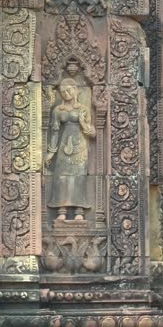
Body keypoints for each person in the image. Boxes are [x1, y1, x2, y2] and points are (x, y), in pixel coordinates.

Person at [45, 78, 95, 221]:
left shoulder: (83, 109)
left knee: (79, 177)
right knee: (61, 177)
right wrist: (51, 152)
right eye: (63, 92)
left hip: (80, 147)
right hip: (64, 146)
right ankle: (62, 210)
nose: (66, 94)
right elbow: (54, 132)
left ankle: (79, 211)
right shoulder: (58, 110)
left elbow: (92, 132)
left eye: (68, 90)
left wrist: (83, 123)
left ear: (75, 90)